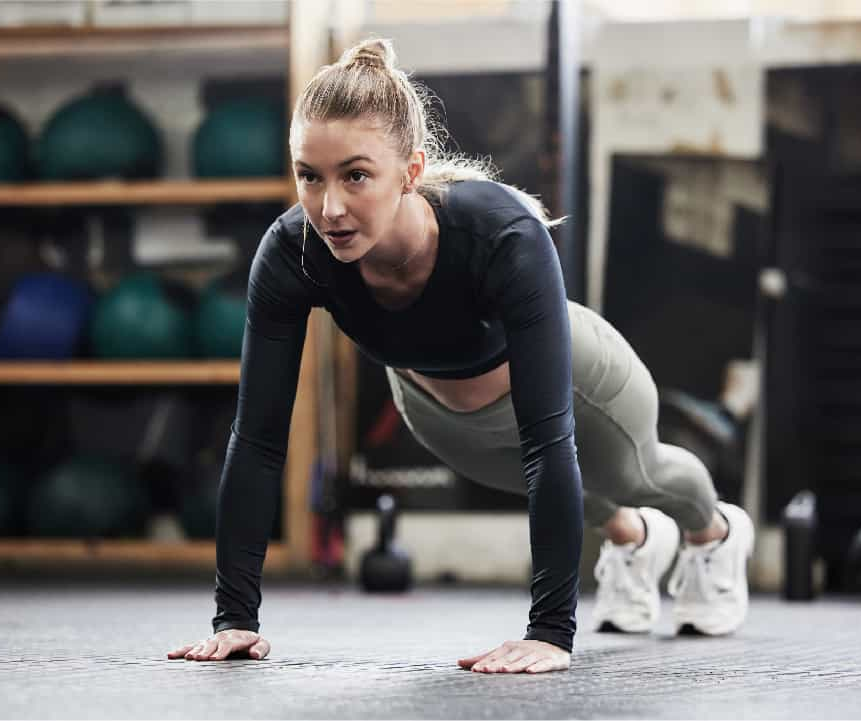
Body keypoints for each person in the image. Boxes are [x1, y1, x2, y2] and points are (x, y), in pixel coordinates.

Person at [168, 38, 754, 674]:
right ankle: (635, 541)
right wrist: (234, 620)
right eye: (310, 176)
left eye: (356, 176)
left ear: (412, 171)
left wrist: (550, 633)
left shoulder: (498, 233)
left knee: (638, 476)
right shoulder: (293, 253)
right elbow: (257, 440)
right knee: (574, 494)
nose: (330, 207)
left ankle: (710, 534)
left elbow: (548, 436)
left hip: (580, 380)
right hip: (437, 406)